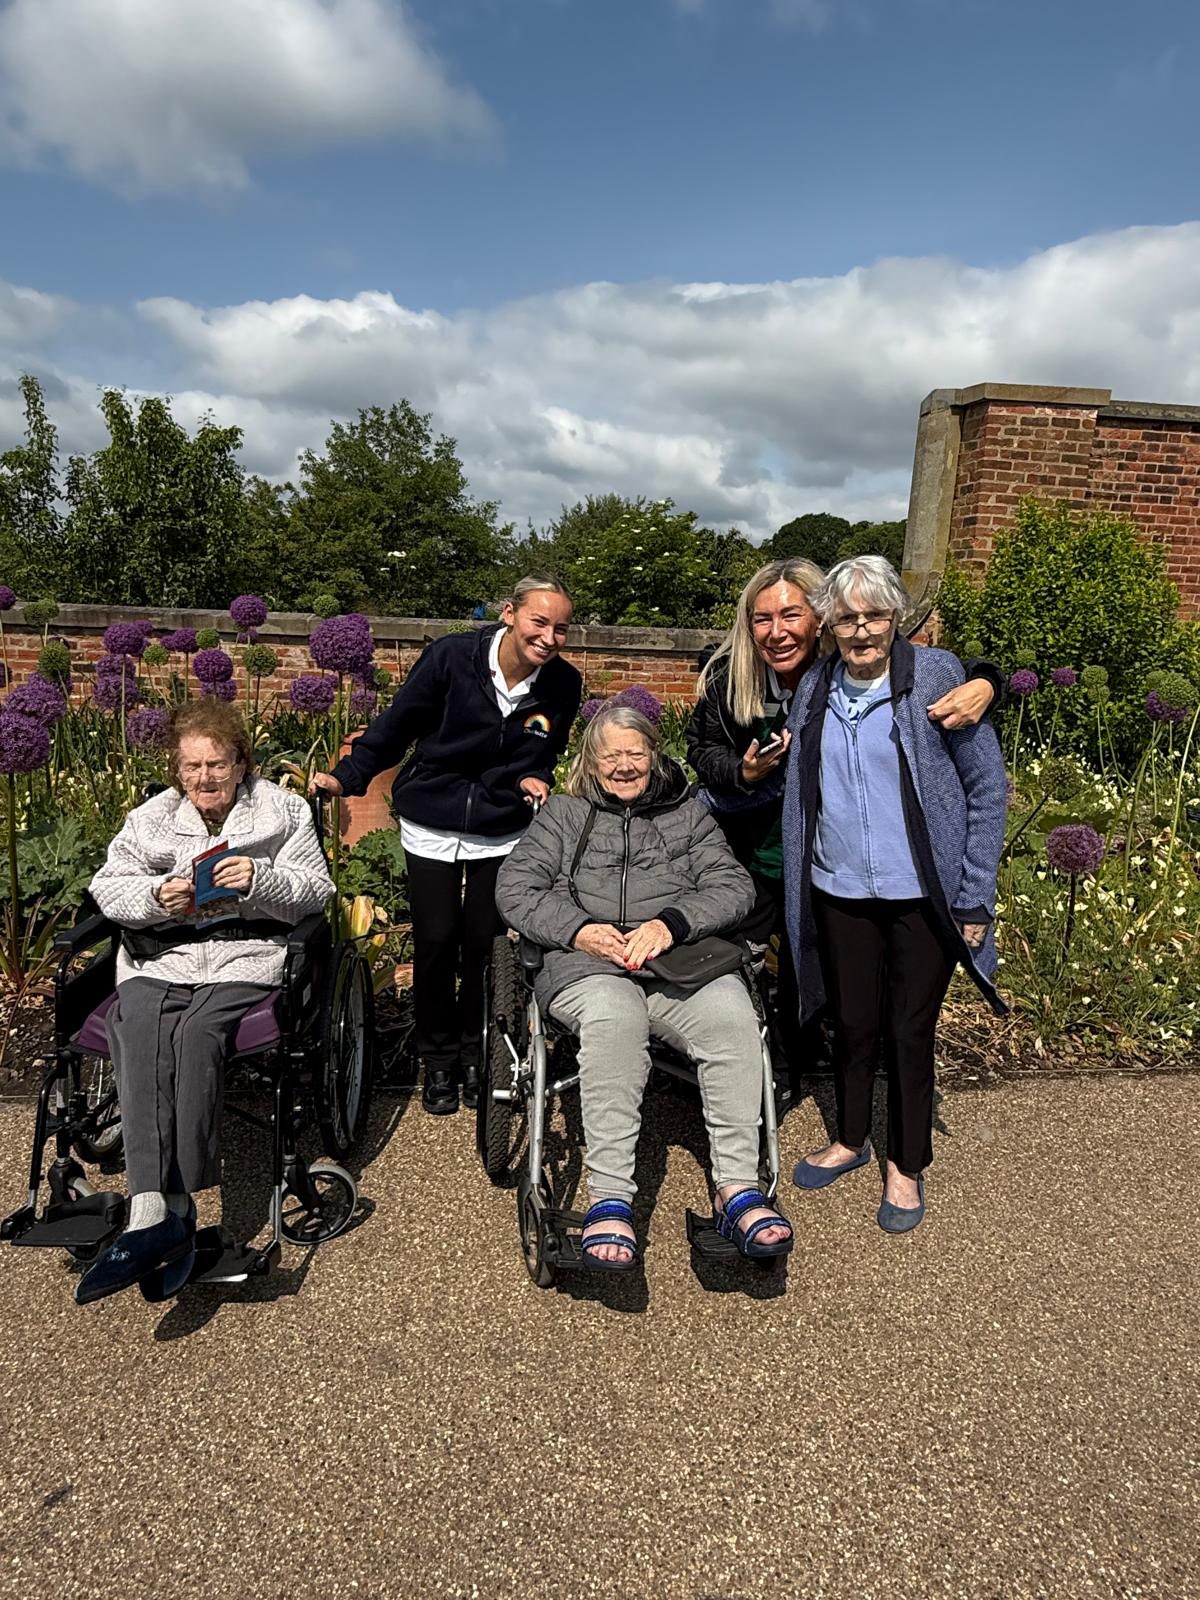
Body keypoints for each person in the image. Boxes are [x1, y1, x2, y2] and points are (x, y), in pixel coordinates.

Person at [496, 704, 792, 1269]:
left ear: (654, 757)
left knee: (734, 1020)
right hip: (587, 964)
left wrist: (671, 925)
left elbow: (733, 886)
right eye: (612, 755)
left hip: (679, 960)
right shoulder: (563, 814)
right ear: (591, 760)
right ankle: (610, 1198)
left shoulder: (687, 814)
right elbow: (515, 889)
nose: (625, 766)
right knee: (616, 1018)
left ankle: (738, 1189)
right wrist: (580, 931)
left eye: (636, 753)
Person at [686, 556, 1002, 1077]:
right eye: (763, 619)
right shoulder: (731, 676)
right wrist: (741, 772)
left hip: (828, 858)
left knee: (817, 975)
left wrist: (988, 681)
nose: (777, 632)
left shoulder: (845, 667)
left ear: (820, 618)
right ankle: (755, 1067)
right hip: (753, 849)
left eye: (791, 615)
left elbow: (938, 674)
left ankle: (806, 1062)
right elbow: (702, 750)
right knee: (744, 966)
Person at [77, 700, 335, 1304]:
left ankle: (179, 1202)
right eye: (191, 766)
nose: (204, 777)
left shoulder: (283, 810)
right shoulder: (150, 819)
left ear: (241, 764)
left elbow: (316, 889)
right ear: (177, 769)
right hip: (161, 958)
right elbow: (107, 887)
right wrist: (154, 895)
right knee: (137, 1025)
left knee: (196, 1035)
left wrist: (261, 880)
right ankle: (152, 1209)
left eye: (216, 764)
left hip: (244, 957)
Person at [781, 556, 1007, 1233]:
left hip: (921, 897)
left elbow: (986, 791)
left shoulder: (935, 676)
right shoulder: (815, 685)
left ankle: (906, 1164)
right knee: (852, 1024)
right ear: (829, 624)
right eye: (846, 618)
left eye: (874, 615)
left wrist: (973, 897)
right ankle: (851, 1138)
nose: (861, 630)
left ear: (896, 617)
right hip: (840, 888)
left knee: (909, 1030)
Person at [313, 576, 581, 1116]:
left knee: (485, 945)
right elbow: (397, 725)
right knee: (435, 942)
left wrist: (533, 776)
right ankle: (437, 1059)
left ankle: (478, 1053)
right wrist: (347, 776)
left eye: (560, 629)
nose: (549, 638)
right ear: (509, 613)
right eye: (539, 622)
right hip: (432, 816)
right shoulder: (451, 658)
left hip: (500, 824)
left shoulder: (563, 684)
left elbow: (542, 750)